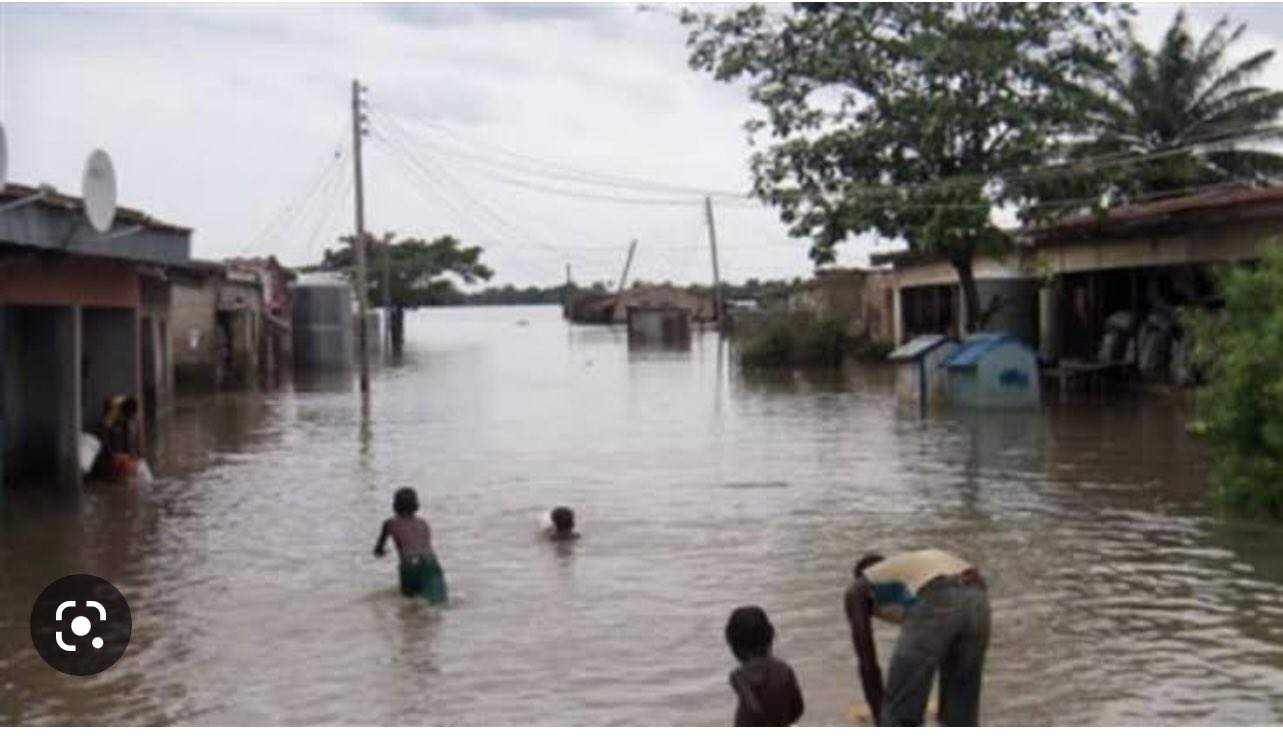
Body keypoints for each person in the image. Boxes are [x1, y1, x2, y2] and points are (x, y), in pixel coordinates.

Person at [844, 549, 990, 727]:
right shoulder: (910, 577)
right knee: (960, 714)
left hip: (938, 591)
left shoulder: (858, 588)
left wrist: (881, 717)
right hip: (978, 594)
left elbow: (867, 662)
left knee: (900, 713)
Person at [724, 605, 804, 727]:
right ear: (770, 636)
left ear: (733, 644)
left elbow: (754, 709)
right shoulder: (783, 669)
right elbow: (797, 710)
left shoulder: (740, 675)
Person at [374, 487, 448, 604]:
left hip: (408, 565)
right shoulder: (423, 523)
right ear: (417, 506)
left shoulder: (390, 523)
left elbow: (378, 550)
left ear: (394, 506)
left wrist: (381, 552)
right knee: (438, 604)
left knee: (410, 603)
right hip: (430, 562)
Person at [90, 394, 142, 481]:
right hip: (112, 411)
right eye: (128, 415)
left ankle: (124, 458)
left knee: (129, 431)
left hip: (121, 406)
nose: (130, 416)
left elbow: (135, 431)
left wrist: (136, 451)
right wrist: (111, 452)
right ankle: (113, 471)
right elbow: (103, 432)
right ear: (124, 411)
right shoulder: (113, 413)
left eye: (131, 415)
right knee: (114, 434)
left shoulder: (132, 410)